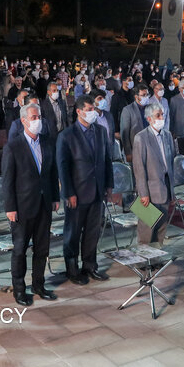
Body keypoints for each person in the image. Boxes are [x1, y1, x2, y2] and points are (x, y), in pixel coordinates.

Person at [2, 103, 60, 306]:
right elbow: (7, 180)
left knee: (42, 248)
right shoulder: (13, 146)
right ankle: (19, 289)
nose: (38, 121)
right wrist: (10, 207)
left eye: (39, 116)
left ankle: (39, 285)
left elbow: (52, 172)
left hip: (44, 204)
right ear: (24, 121)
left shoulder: (47, 142)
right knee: (20, 249)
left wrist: (55, 197)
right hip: (22, 206)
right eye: (34, 117)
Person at [57, 95, 113, 284]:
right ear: (79, 111)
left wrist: (108, 185)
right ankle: (72, 270)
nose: (93, 112)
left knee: (92, 232)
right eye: (89, 109)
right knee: (72, 233)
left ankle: (90, 266)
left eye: (94, 108)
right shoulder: (66, 136)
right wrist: (68, 193)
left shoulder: (100, 131)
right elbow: (63, 168)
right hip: (77, 194)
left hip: (97, 190)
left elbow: (106, 159)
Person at [132, 102, 175, 244]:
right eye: (158, 115)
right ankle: (143, 262)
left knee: (161, 227)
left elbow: (171, 165)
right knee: (147, 229)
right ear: (149, 118)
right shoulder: (141, 138)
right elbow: (139, 168)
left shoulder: (167, 135)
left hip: (166, 188)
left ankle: (156, 259)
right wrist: (143, 193)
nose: (162, 117)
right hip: (149, 192)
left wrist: (172, 192)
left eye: (162, 114)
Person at [120, 84, 150, 163]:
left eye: (147, 94)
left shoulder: (150, 108)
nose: (146, 97)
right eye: (143, 95)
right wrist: (128, 152)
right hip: (136, 147)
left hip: (150, 146)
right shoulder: (128, 110)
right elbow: (124, 133)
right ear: (136, 97)